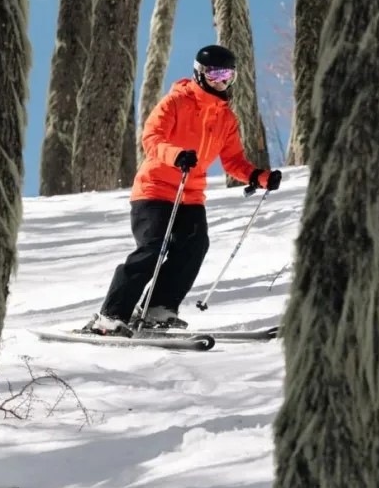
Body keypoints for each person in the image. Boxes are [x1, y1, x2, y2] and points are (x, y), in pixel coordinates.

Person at [85, 44, 282, 336]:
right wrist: (176, 155)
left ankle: (158, 307)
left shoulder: (225, 118)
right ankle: (110, 315)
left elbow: (233, 161)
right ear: (200, 73)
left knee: (194, 246)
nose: (221, 81)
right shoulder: (175, 102)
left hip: (190, 194)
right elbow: (152, 137)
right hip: (154, 190)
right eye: (215, 74)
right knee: (153, 249)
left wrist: (258, 176)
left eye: (228, 75)